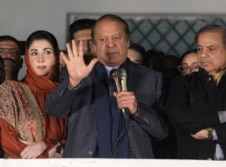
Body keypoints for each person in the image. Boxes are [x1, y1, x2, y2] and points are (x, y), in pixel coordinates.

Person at [46, 14, 168, 158]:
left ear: (128, 42)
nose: (110, 44)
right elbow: (54, 110)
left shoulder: (151, 78)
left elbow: (162, 132)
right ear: (94, 46)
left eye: (116, 38)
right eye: (103, 39)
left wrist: (137, 110)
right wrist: (73, 83)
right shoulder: (77, 73)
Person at [167, 25, 226, 160]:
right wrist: (223, 117)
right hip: (195, 161)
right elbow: (179, 115)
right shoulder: (183, 83)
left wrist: (211, 133)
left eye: (211, 49)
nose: (203, 55)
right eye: (200, 49)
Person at [0, 30, 67, 158]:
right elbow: (7, 141)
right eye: (34, 53)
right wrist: (47, 156)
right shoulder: (10, 91)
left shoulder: (67, 92)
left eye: (47, 52)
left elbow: (79, 139)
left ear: (57, 56)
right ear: (27, 57)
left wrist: (46, 145)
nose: (40, 59)